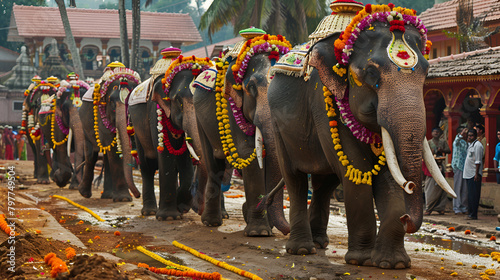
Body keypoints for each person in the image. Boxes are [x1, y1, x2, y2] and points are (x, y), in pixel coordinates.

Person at [424, 127, 451, 215]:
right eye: (434, 131)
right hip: (431, 166)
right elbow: (423, 153)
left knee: (442, 188)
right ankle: (429, 207)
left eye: (437, 132)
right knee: (429, 187)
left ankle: (440, 207)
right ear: (431, 133)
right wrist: (430, 153)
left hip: (440, 166)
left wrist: (442, 150)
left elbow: (449, 151)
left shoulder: (442, 142)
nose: (436, 133)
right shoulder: (428, 142)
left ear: (440, 134)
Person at [463, 128, 484, 220]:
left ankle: (473, 214)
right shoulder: (470, 145)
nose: (469, 137)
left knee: (474, 195)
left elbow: (478, 161)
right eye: (468, 136)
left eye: (471, 136)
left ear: (475, 136)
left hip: (474, 174)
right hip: (468, 173)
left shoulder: (478, 145)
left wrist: (476, 174)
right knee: (470, 195)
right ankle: (470, 213)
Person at [451, 126, 468, 215]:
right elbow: (457, 141)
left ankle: (464, 207)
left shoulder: (466, 143)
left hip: (466, 168)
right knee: (457, 188)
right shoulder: (457, 141)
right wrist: (461, 134)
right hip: (458, 166)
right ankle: (457, 207)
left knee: (465, 188)